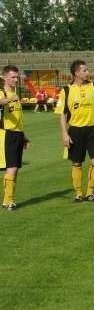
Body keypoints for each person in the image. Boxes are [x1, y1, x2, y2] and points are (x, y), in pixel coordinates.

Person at [55, 60, 94, 202]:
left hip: (93, 129)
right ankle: (78, 193)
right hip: (75, 131)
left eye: (87, 70)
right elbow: (63, 115)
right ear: (76, 73)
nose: (87, 72)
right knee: (77, 163)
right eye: (84, 70)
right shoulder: (66, 90)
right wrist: (64, 133)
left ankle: (90, 192)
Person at [1, 65, 30, 211]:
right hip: (7, 134)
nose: (15, 80)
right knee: (11, 168)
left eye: (17, 77)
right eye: (12, 77)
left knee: (15, 168)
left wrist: (23, 136)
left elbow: (18, 118)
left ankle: (7, 200)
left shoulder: (15, 94)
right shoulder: (3, 92)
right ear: (4, 77)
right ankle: (9, 201)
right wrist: (10, 98)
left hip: (18, 134)